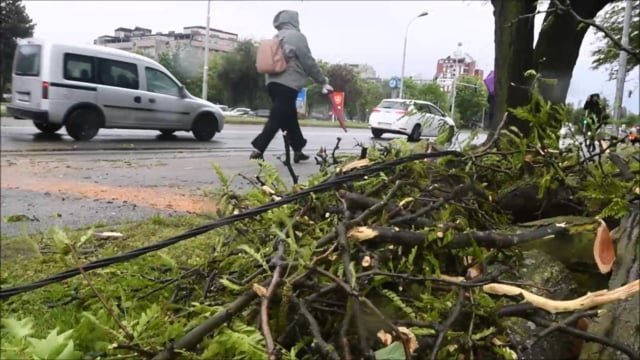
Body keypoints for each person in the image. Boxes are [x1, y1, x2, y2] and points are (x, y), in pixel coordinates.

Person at [250, 10, 333, 162]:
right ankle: (259, 147)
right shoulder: (297, 37)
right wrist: (322, 80)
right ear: (294, 20)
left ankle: (298, 148)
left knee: (288, 117)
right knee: (276, 117)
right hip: (288, 84)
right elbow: (308, 62)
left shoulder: (277, 36)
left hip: (271, 83)